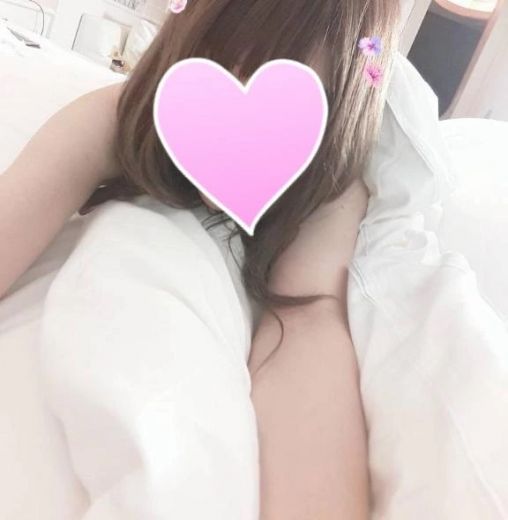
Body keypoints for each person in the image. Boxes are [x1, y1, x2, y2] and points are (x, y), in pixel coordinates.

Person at [0, 1, 401, 518]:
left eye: (283, 118)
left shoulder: (331, 188)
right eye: (221, 66)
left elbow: (307, 326)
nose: (236, 144)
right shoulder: (123, 113)